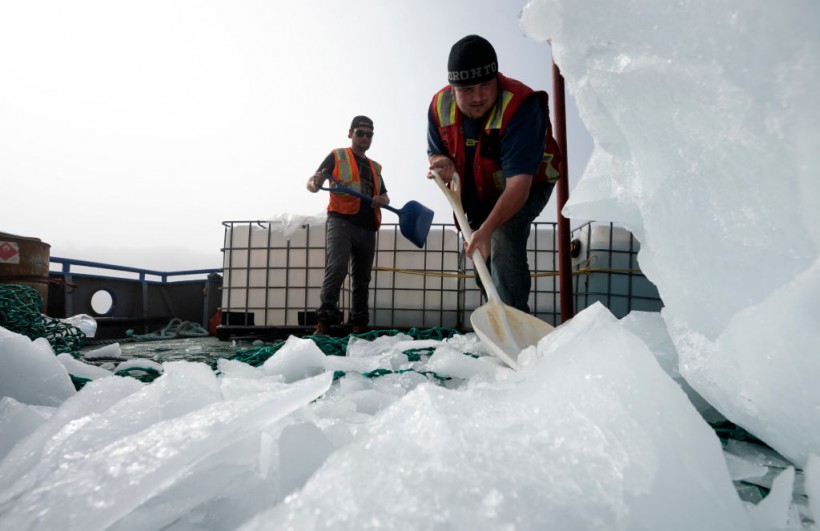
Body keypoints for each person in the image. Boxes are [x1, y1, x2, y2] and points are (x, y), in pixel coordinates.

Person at [426, 34, 562, 313]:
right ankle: (496, 312)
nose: (477, 97)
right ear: (452, 88)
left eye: (485, 85)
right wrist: (441, 161)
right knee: (480, 254)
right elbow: (435, 150)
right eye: (466, 90)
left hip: (530, 182)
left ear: (497, 78)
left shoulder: (522, 106)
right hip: (480, 187)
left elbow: (518, 187)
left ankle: (513, 319)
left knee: (503, 233)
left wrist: (486, 230)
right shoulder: (439, 106)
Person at [306, 115, 390, 335]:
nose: (364, 137)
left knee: (363, 278)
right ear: (350, 133)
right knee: (337, 267)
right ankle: (324, 321)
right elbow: (313, 182)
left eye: (369, 134)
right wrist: (314, 184)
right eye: (360, 133)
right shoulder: (337, 156)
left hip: (368, 226)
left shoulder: (375, 167)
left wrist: (383, 199)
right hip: (341, 222)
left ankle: (359, 324)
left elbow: (385, 195)